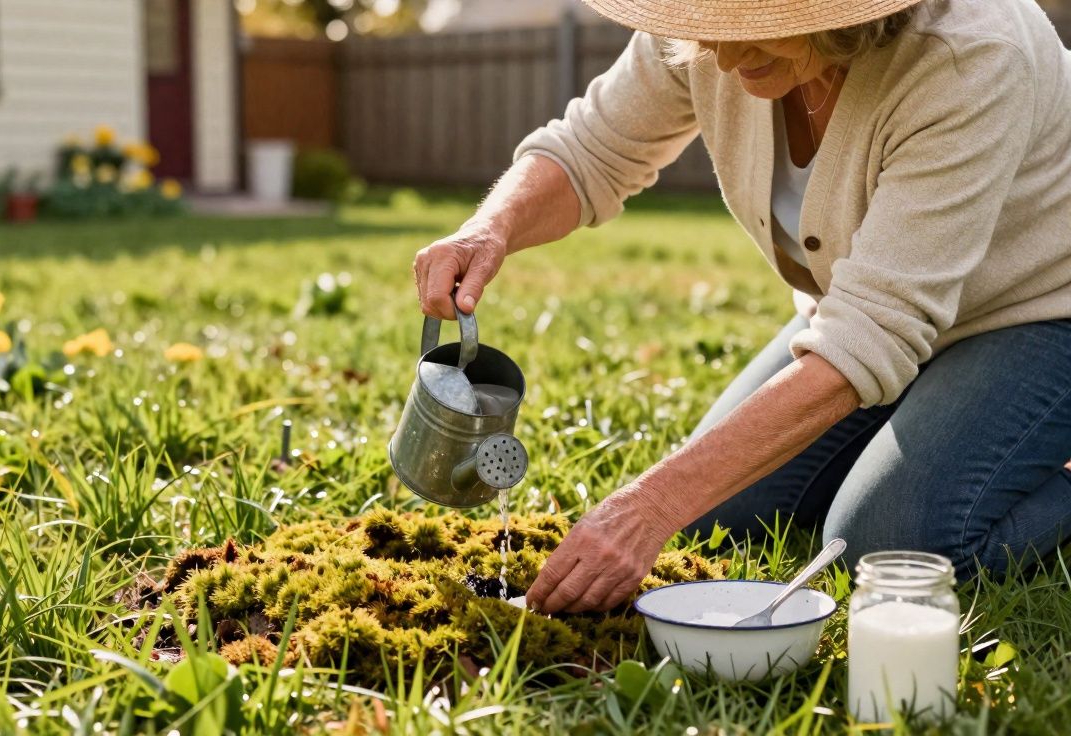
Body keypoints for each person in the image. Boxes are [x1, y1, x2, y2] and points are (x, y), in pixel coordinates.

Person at [411, 0, 1071, 614]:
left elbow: (872, 335)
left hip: (1038, 313)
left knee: (884, 546)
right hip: (866, 320)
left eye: (752, 25)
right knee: (714, 519)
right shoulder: (710, 25)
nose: (722, 59)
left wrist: (649, 505)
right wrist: (489, 228)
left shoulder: (971, 55)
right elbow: (591, 152)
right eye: (708, 25)